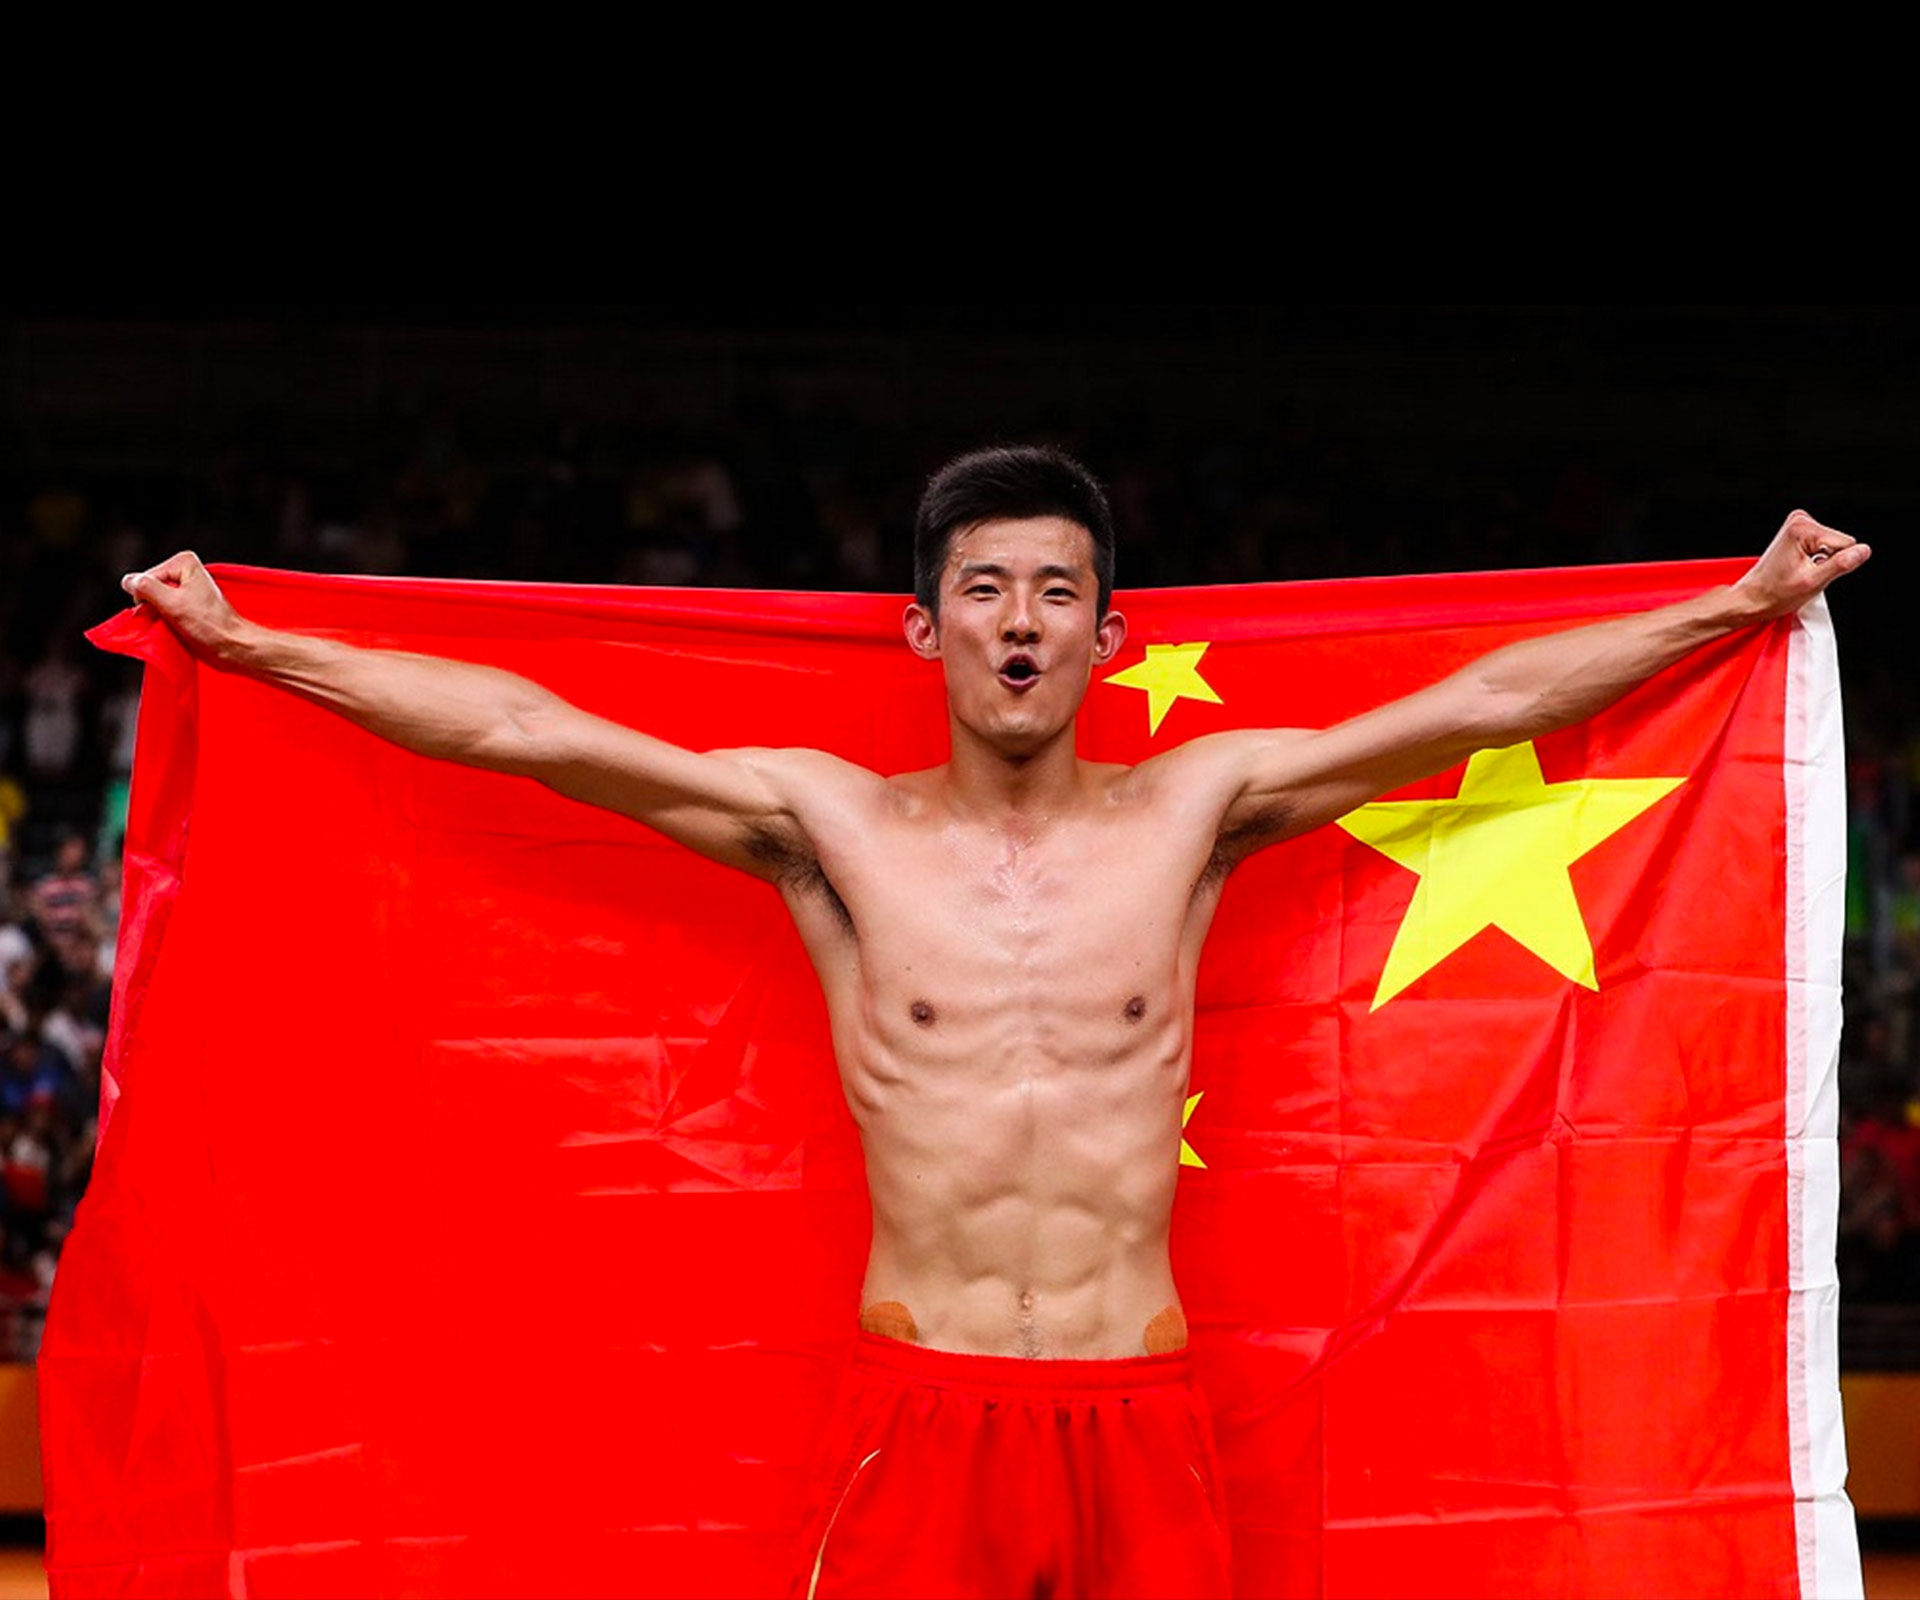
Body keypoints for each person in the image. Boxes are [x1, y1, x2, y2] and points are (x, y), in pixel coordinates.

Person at [121, 446, 1868, 1599]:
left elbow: (1476, 700)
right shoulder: (829, 825)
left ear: (1107, 635)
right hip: (922, 1414)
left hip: (1141, 1404)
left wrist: (1730, 609)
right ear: (925, 623)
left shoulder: (1200, 807)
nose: (1016, 619)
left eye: (1051, 591)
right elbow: (519, 729)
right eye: (982, 587)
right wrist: (258, 646)